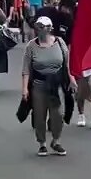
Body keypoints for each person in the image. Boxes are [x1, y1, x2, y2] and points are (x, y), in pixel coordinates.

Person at [21, 17, 71, 157]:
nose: (41, 29)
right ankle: (42, 143)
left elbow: (67, 65)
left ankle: (56, 141)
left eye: (44, 27)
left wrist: (71, 80)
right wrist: (25, 88)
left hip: (56, 84)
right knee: (39, 115)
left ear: (50, 28)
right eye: (39, 27)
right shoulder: (31, 46)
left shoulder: (60, 43)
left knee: (58, 114)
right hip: (39, 84)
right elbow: (26, 69)